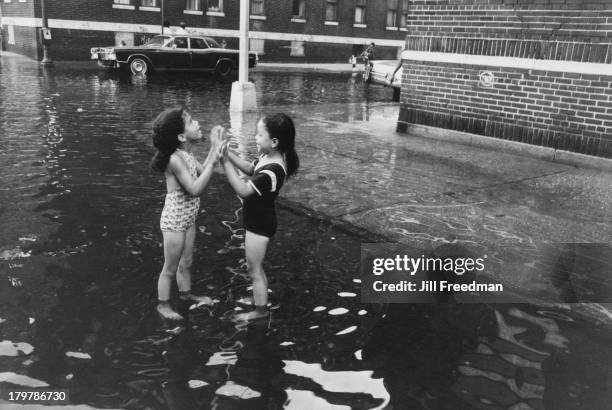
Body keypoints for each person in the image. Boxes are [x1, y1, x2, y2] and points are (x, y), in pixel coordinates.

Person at [219, 114, 300, 321]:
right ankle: (262, 303)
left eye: (259, 134)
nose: (255, 137)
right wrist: (228, 154)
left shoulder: (273, 171)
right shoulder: (268, 157)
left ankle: (260, 312)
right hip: (258, 220)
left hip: (260, 224)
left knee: (253, 269)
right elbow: (249, 168)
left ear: (274, 142)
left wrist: (224, 163)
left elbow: (244, 190)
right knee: (255, 267)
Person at [151, 107, 223, 321]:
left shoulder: (186, 154)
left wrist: (215, 147)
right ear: (181, 136)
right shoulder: (174, 160)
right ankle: (163, 305)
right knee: (170, 268)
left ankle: (186, 294)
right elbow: (195, 188)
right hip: (174, 222)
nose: (197, 123)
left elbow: (204, 172)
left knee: (186, 262)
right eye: (191, 121)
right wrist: (212, 157)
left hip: (188, 219)